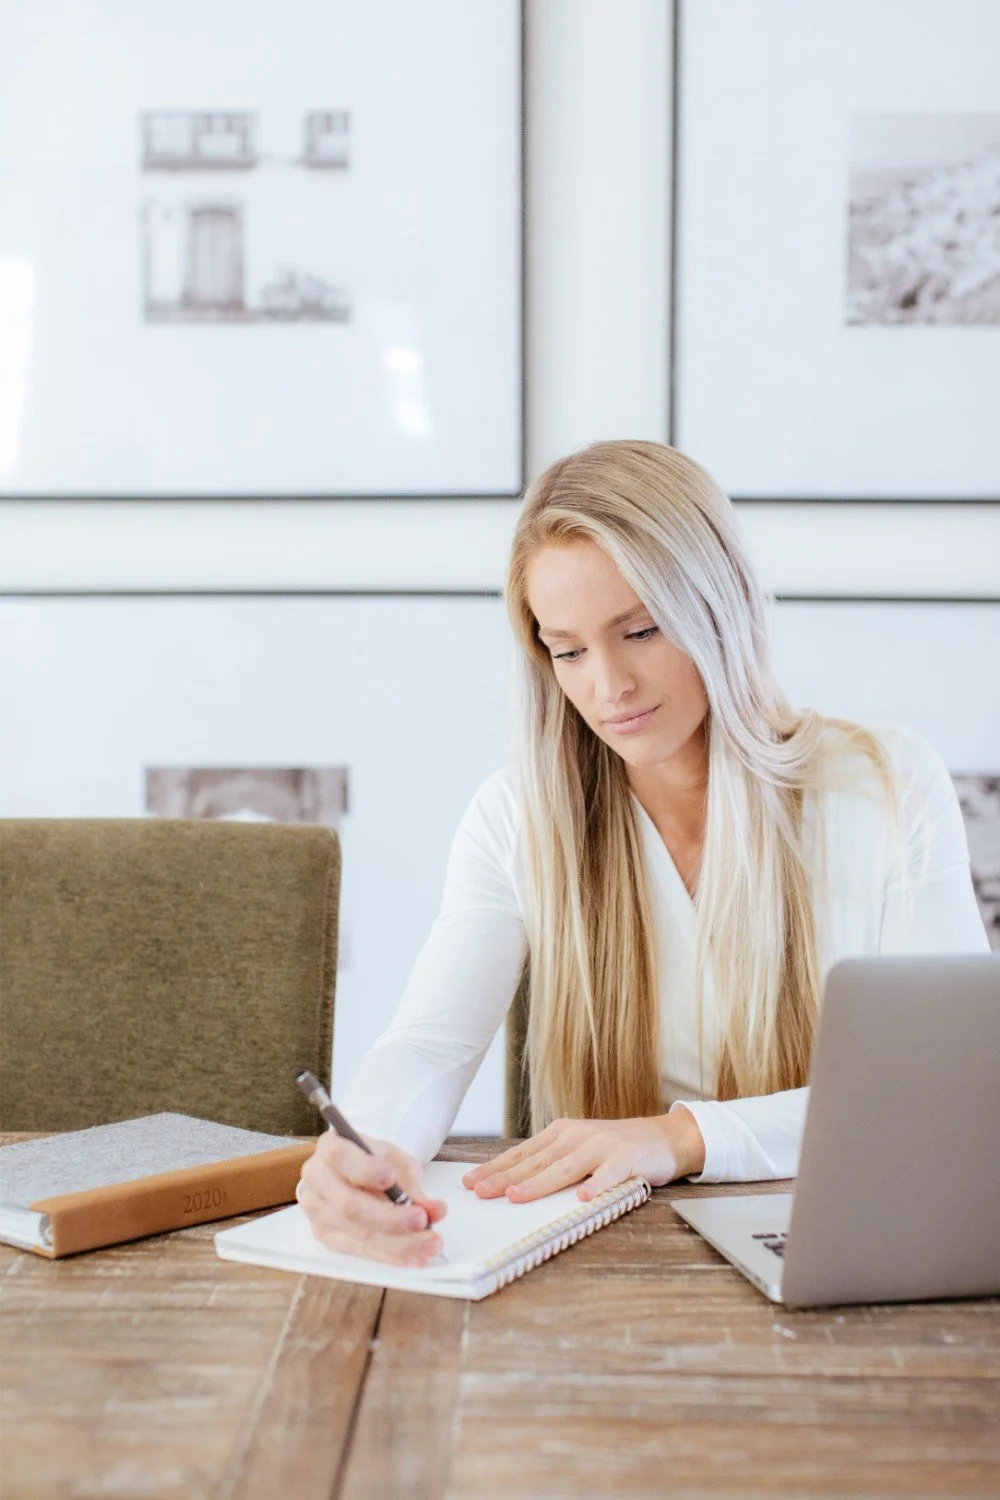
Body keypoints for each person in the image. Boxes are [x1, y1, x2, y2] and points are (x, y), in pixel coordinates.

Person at [296, 440, 989, 1268]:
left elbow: (948, 1097)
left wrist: (685, 1136)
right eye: (568, 649)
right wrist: (366, 1149)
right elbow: (428, 1048)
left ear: (720, 603)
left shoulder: (887, 785)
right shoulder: (516, 815)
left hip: (841, 1255)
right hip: (603, 1269)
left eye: (642, 629)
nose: (608, 686)